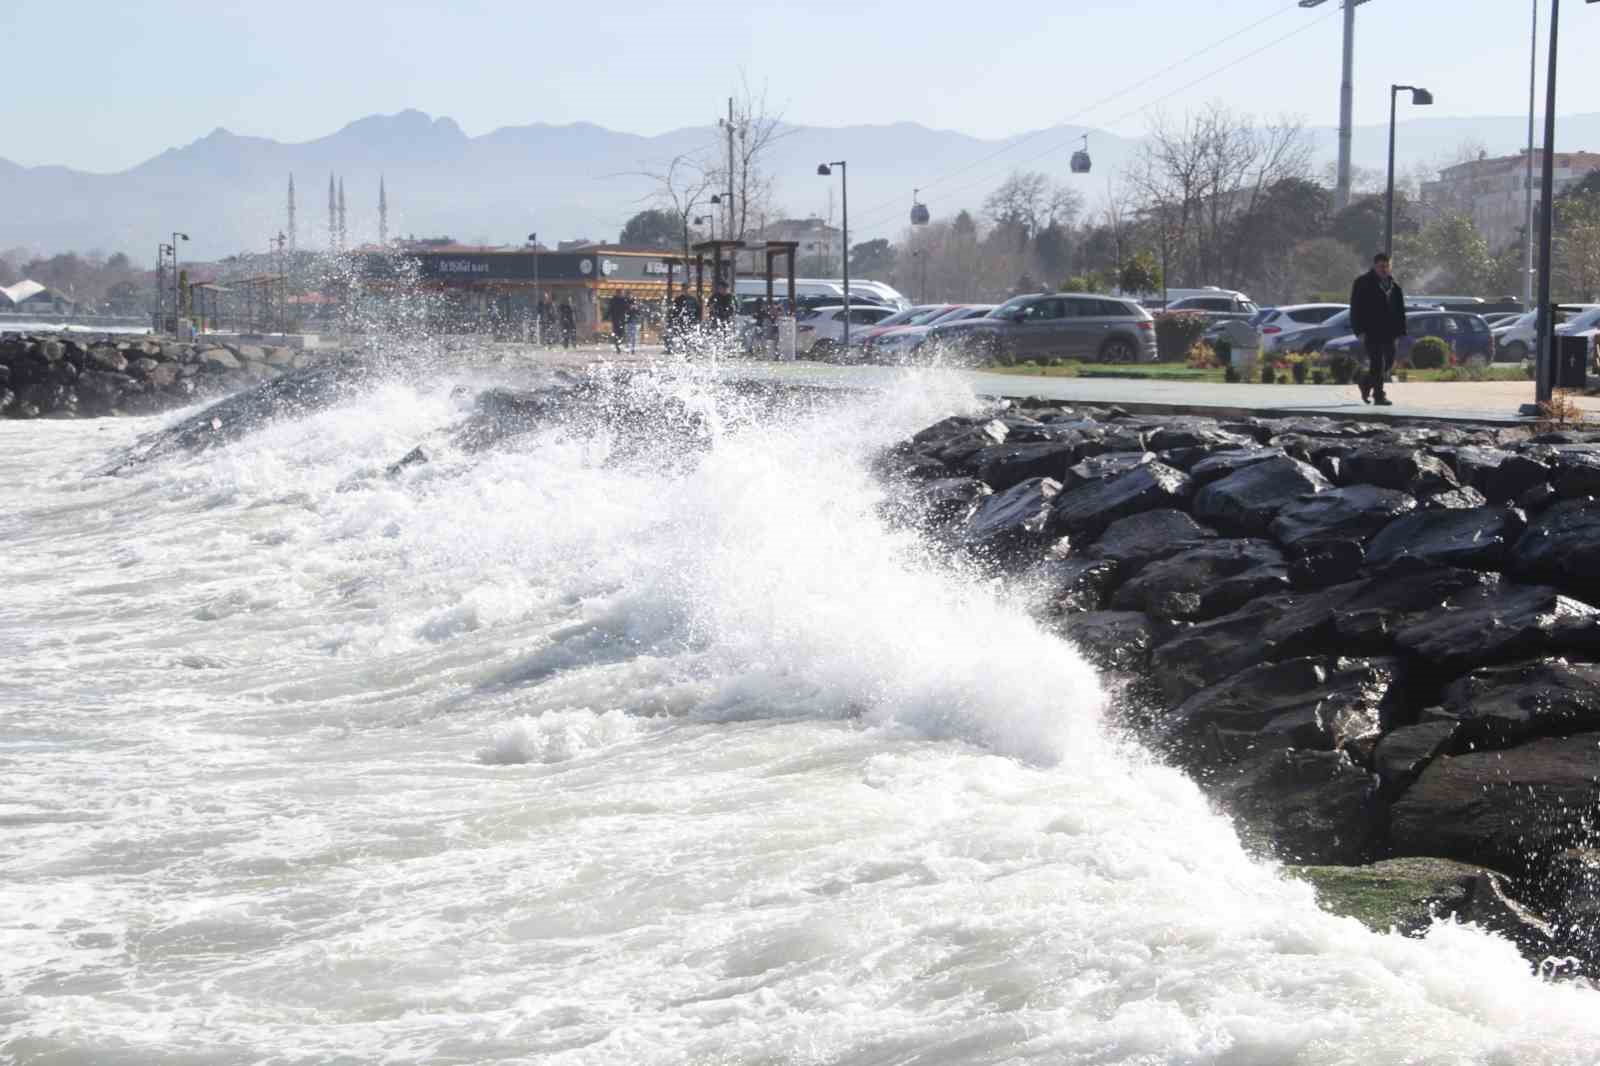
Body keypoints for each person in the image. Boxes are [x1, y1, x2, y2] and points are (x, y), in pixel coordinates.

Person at [1349, 251, 1407, 407]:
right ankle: (1379, 396)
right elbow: (1355, 308)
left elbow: (1400, 311)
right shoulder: (1362, 282)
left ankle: (1365, 381)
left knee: (1388, 363)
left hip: (1389, 333)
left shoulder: (1394, 286)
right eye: (1381, 266)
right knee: (1377, 364)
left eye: (1387, 266)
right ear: (1374, 266)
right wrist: (1359, 330)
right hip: (1371, 331)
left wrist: (1401, 332)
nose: (1384, 269)